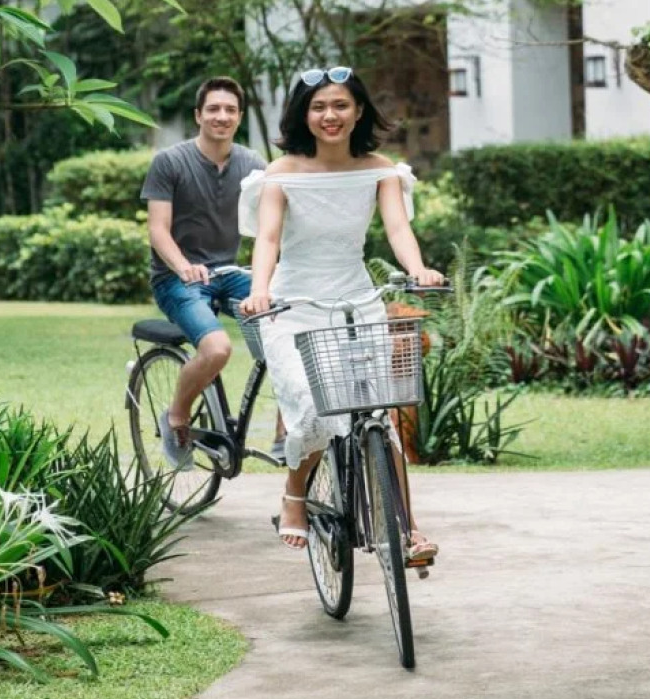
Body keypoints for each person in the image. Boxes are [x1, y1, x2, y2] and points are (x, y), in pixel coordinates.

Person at [238, 66, 445, 564]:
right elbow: (267, 238)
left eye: (340, 105)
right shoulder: (281, 172)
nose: (329, 116)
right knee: (311, 404)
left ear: (358, 112)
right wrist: (259, 290)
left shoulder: (381, 169)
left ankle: (409, 529)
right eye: (318, 107)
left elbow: (397, 229)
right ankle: (294, 496)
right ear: (303, 115)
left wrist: (418, 269)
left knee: (380, 415)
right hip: (293, 304)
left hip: (356, 300)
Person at [142, 77, 266, 470]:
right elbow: (158, 229)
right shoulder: (170, 161)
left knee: (290, 327)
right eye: (213, 109)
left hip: (230, 273)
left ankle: (287, 434)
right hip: (176, 277)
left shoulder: (253, 165)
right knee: (217, 349)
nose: (222, 116)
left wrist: (268, 280)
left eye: (230, 110)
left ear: (239, 117)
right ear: (198, 115)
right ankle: (177, 416)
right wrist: (184, 267)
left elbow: (270, 228)